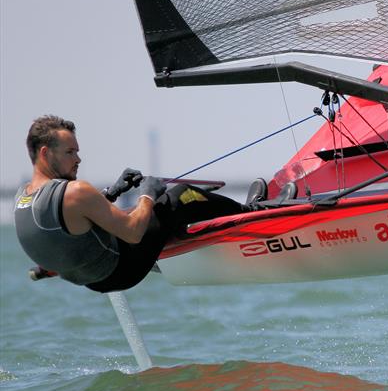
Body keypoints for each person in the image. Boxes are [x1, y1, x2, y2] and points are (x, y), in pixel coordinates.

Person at [14, 115, 269, 293]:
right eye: (70, 152)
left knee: (155, 209)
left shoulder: (23, 197)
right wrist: (146, 194)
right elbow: (134, 233)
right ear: (45, 153)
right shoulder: (75, 191)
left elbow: (71, 222)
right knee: (180, 196)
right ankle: (254, 212)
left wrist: (112, 193)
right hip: (123, 267)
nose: (78, 159)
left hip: (94, 280)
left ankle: (209, 214)